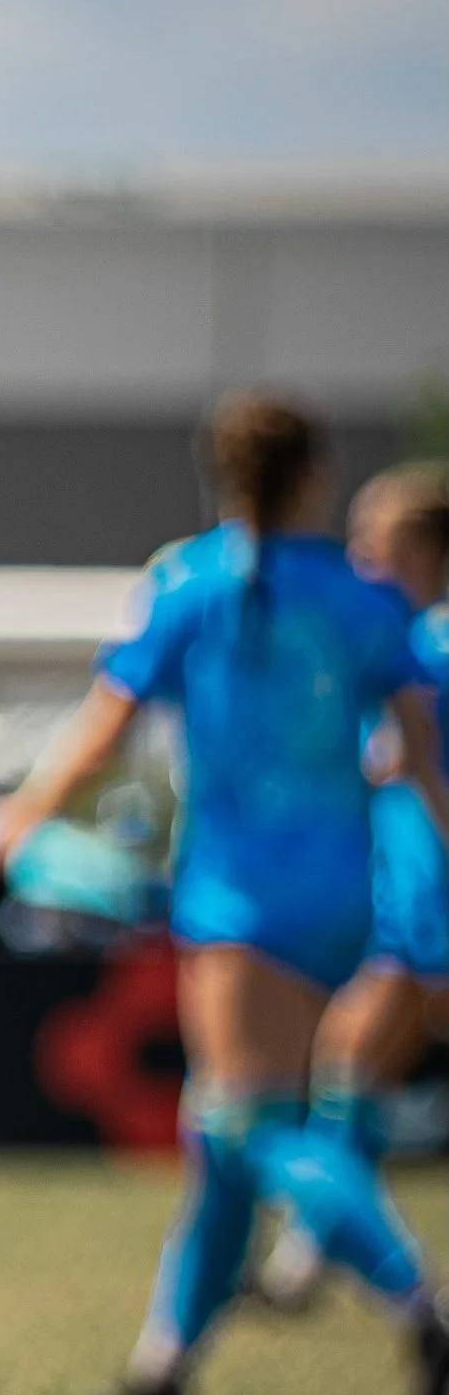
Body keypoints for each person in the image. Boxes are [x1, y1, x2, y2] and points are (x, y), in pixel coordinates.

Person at [0, 395, 449, 1395]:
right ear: (314, 476)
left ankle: (416, 1297)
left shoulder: (193, 583)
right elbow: (419, 759)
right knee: (225, 1130)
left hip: (240, 898)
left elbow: (104, 725)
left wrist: (21, 821)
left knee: (247, 1123)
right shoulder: (362, 600)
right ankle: (163, 1368)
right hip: (346, 889)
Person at [236, 465, 449, 1319]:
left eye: (379, 541)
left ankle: (344, 1266)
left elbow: (409, 761)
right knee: (352, 1075)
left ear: (426, 550)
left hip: (426, 902)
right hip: (403, 896)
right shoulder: (402, 639)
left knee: (343, 1068)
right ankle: (308, 1257)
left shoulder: (425, 644)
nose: (361, 557)